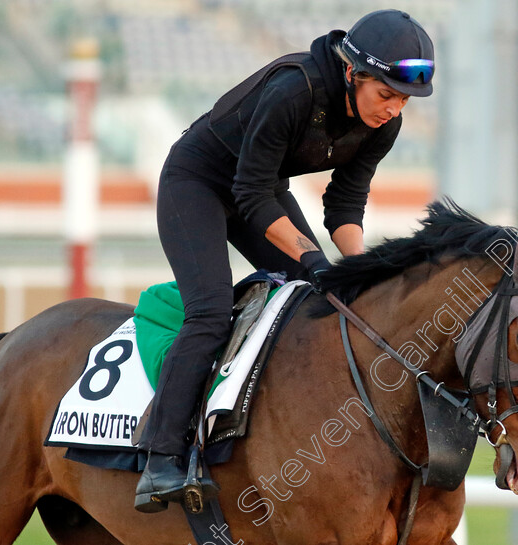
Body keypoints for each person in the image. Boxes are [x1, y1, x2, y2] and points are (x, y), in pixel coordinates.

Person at [134, 9, 435, 512]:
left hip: (260, 190)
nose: (393, 109)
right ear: (351, 73)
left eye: (403, 99)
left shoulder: (385, 124)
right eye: (386, 94)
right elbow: (249, 194)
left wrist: (363, 273)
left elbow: (344, 205)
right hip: (197, 184)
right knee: (209, 311)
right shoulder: (294, 91)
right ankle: (160, 457)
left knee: (325, 295)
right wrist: (312, 256)